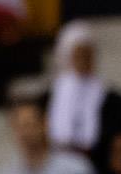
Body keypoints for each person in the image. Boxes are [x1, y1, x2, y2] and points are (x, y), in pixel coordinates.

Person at [46, 20, 116, 154]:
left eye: (87, 54)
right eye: (78, 54)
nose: (83, 60)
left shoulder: (109, 95)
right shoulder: (51, 95)